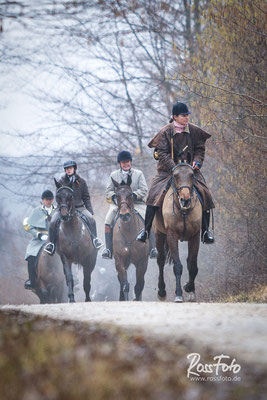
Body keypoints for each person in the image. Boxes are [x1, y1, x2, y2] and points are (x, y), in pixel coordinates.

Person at [136, 102, 215, 244]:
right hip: (167, 172)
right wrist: (174, 167)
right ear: (175, 117)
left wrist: (197, 162)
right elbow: (162, 153)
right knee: (153, 194)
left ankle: (205, 232)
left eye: (187, 115)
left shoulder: (194, 131)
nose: (186, 118)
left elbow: (199, 149)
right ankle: (146, 231)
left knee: (205, 193)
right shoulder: (165, 132)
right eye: (183, 116)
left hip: (190, 172)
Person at [102, 150, 158, 259]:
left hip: (136, 203)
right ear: (120, 163)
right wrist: (114, 197)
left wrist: (134, 195)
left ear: (130, 162)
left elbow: (144, 190)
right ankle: (108, 249)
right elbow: (108, 192)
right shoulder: (113, 175)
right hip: (119, 204)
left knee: (149, 218)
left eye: (128, 162)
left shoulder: (138, 174)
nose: (126, 164)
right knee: (107, 220)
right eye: (123, 162)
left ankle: (152, 248)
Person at [44, 160, 103, 255]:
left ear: (74, 169)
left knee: (91, 219)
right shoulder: (60, 182)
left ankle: (95, 240)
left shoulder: (82, 182)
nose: (68, 170)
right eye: (67, 169)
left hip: (79, 207)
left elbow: (86, 197)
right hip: (64, 208)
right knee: (53, 222)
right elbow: (58, 197)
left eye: (70, 168)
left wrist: (89, 210)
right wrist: (60, 208)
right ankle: (51, 244)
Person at [24, 190, 56, 290]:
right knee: (31, 255)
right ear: (43, 200)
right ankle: (32, 281)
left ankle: (72, 277)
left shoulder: (57, 211)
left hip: (54, 239)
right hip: (39, 239)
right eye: (47, 199)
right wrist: (38, 234)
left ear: (53, 200)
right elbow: (30, 226)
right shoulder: (37, 211)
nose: (49, 201)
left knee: (68, 252)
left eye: (50, 199)